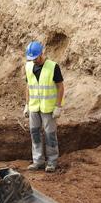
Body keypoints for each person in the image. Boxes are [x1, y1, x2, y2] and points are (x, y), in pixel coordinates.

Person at [23, 41, 64, 172]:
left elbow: (60, 86)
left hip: (48, 108)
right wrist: (27, 104)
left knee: (50, 135)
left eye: (35, 58)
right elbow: (28, 86)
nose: (33, 61)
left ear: (42, 53)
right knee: (35, 134)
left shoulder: (53, 67)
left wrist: (58, 105)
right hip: (34, 107)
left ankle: (52, 161)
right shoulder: (28, 66)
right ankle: (38, 161)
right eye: (31, 58)